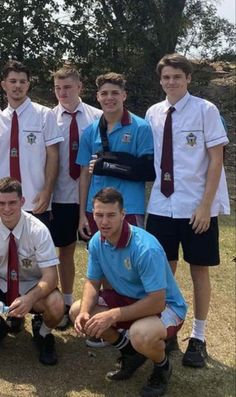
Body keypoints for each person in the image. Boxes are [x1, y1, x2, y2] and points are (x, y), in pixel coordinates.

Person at [145, 53, 230, 368]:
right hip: (161, 206)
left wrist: (206, 206)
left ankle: (199, 337)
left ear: (188, 78)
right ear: (161, 80)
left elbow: (216, 161)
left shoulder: (206, 111)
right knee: (163, 273)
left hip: (196, 208)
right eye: (166, 77)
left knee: (199, 271)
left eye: (177, 77)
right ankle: (168, 331)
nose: (171, 82)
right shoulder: (153, 112)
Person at [70, 188, 187, 397]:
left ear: (123, 214)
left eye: (111, 215)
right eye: (99, 215)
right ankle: (130, 353)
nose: (104, 221)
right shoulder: (97, 240)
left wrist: (113, 314)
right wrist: (86, 311)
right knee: (78, 310)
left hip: (167, 306)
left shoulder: (145, 248)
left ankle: (162, 367)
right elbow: (92, 281)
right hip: (128, 299)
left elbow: (157, 302)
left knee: (140, 334)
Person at [50, 67, 102, 329]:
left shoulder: (97, 117)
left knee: (100, 253)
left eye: (68, 87)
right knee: (65, 251)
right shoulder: (49, 118)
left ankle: (99, 305)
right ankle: (68, 303)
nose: (63, 93)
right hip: (59, 196)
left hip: (92, 198)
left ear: (80, 87)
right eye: (58, 88)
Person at [77, 72, 154, 241]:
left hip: (130, 207)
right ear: (98, 97)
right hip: (96, 209)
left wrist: (109, 166)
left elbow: (147, 171)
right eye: (104, 93)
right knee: (98, 259)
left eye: (115, 93)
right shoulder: (90, 131)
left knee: (130, 261)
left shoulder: (141, 127)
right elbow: (84, 175)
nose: (109, 98)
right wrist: (82, 213)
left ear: (124, 95)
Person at [0, 177, 64, 365]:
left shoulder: (38, 230)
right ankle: (4, 325)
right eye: (1, 203)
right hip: (2, 285)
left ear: (22, 201)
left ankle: (43, 333)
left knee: (57, 304)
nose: (6, 209)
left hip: (31, 287)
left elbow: (51, 278)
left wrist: (29, 299)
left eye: (12, 202)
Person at [0, 60, 63, 228]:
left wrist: (47, 191)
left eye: (22, 81)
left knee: (34, 253)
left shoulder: (44, 114)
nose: (18, 86)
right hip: (3, 204)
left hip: (35, 201)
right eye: (13, 81)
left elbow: (53, 156)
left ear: (28, 84)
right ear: (4, 84)